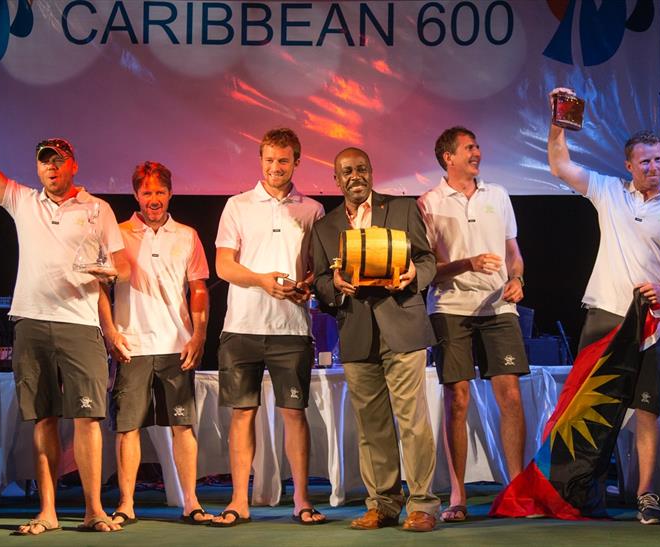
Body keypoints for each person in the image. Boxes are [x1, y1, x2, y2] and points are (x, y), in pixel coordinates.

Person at [0, 77, 128, 534]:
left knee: (89, 418)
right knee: (43, 419)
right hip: (31, 323)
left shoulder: (97, 209)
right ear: (37, 168)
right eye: (44, 161)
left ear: (73, 164)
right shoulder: (22, 201)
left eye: (58, 160)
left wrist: (109, 275)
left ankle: (94, 510)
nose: (51, 168)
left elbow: (123, 268)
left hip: (79, 324)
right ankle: (48, 512)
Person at [547, 88, 660, 524]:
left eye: (658, 160)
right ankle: (584, 494)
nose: (653, 168)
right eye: (645, 161)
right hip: (606, 317)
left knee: (647, 409)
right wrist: (558, 123)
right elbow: (560, 165)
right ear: (628, 165)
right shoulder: (608, 191)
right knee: (593, 409)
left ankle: (646, 495)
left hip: (654, 324)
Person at [311, 147, 441, 532]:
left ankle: (422, 505)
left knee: (413, 421)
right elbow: (320, 281)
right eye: (347, 171)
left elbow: (428, 259)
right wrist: (332, 284)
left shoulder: (401, 209)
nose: (356, 176)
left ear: (371, 172)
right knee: (372, 425)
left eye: (362, 169)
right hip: (356, 333)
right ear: (337, 179)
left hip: (402, 324)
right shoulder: (325, 226)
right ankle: (383, 505)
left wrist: (413, 276)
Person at [211, 128, 326, 527]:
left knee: (294, 414)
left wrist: (307, 285)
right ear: (260, 161)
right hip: (241, 326)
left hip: (292, 329)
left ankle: (301, 500)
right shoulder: (237, 205)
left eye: (283, 160)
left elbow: (316, 267)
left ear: (296, 161)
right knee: (242, 414)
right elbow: (223, 266)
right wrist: (261, 280)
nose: (275, 167)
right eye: (269, 160)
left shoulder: (312, 210)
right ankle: (240, 500)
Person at [417, 127, 530, 522]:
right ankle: (458, 496)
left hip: (499, 308)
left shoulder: (497, 195)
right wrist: (467, 263)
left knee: (511, 396)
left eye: (478, 146)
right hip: (450, 307)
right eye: (469, 148)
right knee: (458, 398)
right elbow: (426, 269)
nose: (477, 152)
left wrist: (517, 280)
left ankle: (516, 490)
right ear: (448, 156)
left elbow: (513, 252)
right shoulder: (428, 202)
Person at [97, 161, 212, 526]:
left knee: (182, 426)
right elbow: (100, 287)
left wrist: (199, 334)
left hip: (176, 345)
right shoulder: (117, 233)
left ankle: (191, 501)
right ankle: (126, 504)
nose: (154, 199)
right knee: (127, 427)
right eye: (147, 192)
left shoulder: (187, 235)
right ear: (136, 195)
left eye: (160, 192)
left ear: (170, 194)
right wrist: (110, 331)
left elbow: (198, 288)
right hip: (131, 345)